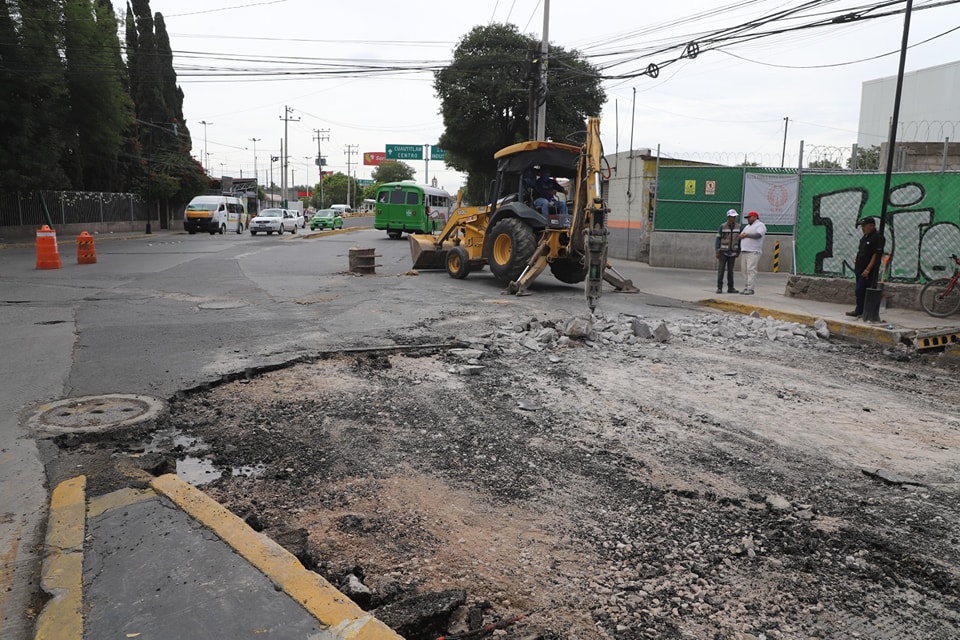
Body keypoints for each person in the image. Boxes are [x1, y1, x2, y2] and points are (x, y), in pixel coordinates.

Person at [846, 216, 883, 318]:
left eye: (864, 226)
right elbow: (862, 251)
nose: (862, 228)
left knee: (861, 289)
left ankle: (865, 311)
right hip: (859, 268)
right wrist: (857, 259)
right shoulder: (864, 237)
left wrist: (868, 269)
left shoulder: (877, 237)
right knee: (859, 290)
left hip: (867, 270)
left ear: (871, 226)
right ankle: (859, 310)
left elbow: (875, 255)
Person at [738, 211, 766, 295]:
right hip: (745, 250)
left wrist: (746, 235)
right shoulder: (747, 227)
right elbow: (740, 235)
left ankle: (751, 288)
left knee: (751, 269)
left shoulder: (760, 225)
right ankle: (747, 286)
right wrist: (741, 236)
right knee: (744, 270)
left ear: (754, 217)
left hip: (753, 251)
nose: (748, 219)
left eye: (749, 217)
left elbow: (758, 235)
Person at [715, 209, 741, 293]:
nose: (733, 218)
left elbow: (740, 240)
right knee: (721, 270)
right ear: (728, 217)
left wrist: (738, 251)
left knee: (730, 271)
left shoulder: (738, 227)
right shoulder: (722, 226)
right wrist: (717, 250)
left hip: (733, 252)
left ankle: (730, 288)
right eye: (732, 217)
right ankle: (719, 287)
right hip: (723, 252)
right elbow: (718, 239)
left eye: (734, 217)